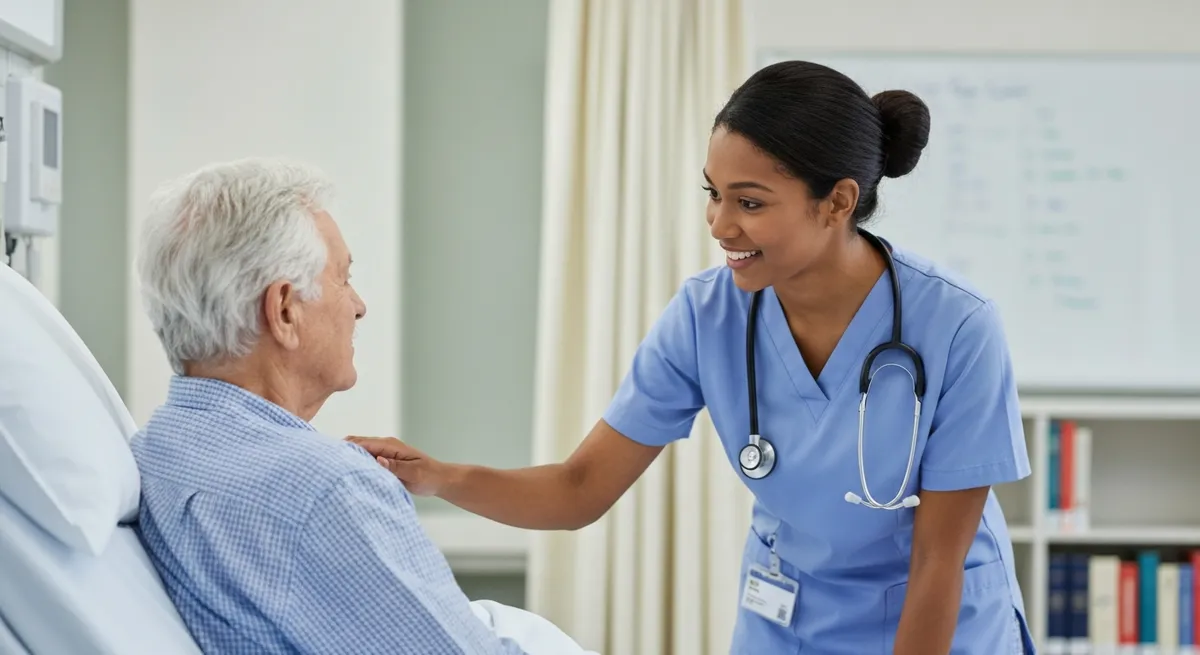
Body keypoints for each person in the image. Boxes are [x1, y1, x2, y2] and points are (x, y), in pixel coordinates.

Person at [351, 60, 1034, 654]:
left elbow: (938, 559)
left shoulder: (956, 327)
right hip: (788, 621)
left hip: (931, 627)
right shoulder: (709, 315)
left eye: (751, 202)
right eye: (713, 193)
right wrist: (437, 475)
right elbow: (580, 488)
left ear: (838, 202)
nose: (719, 224)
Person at [130, 158, 592, 655]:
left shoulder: (157, 450)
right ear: (284, 310)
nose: (359, 305)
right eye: (344, 278)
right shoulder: (325, 490)